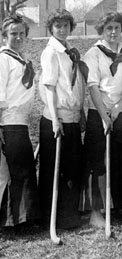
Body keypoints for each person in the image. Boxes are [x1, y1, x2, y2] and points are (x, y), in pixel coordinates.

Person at [38, 9, 87, 229]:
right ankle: (52, 217)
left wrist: (81, 113)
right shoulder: (51, 52)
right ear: (51, 28)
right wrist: (56, 120)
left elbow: (76, 86)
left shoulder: (69, 50)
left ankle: (69, 215)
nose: (62, 29)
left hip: (72, 118)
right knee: (54, 169)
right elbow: (49, 87)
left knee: (72, 167)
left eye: (66, 26)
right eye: (58, 26)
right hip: (56, 119)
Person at [82, 11, 122, 227]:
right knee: (97, 162)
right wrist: (104, 115)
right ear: (102, 30)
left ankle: (118, 206)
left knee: (119, 159)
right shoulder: (93, 54)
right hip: (98, 113)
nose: (113, 32)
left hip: (121, 111)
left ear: (121, 30)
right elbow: (92, 86)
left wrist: (119, 110)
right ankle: (95, 211)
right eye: (108, 28)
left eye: (117, 28)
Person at [0, 14, 40, 227]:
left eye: (21, 33)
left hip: (21, 122)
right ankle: (15, 220)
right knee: (17, 170)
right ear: (4, 35)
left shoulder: (21, 58)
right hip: (8, 121)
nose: (17, 37)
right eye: (13, 33)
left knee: (25, 167)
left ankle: (27, 217)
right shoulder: (3, 59)